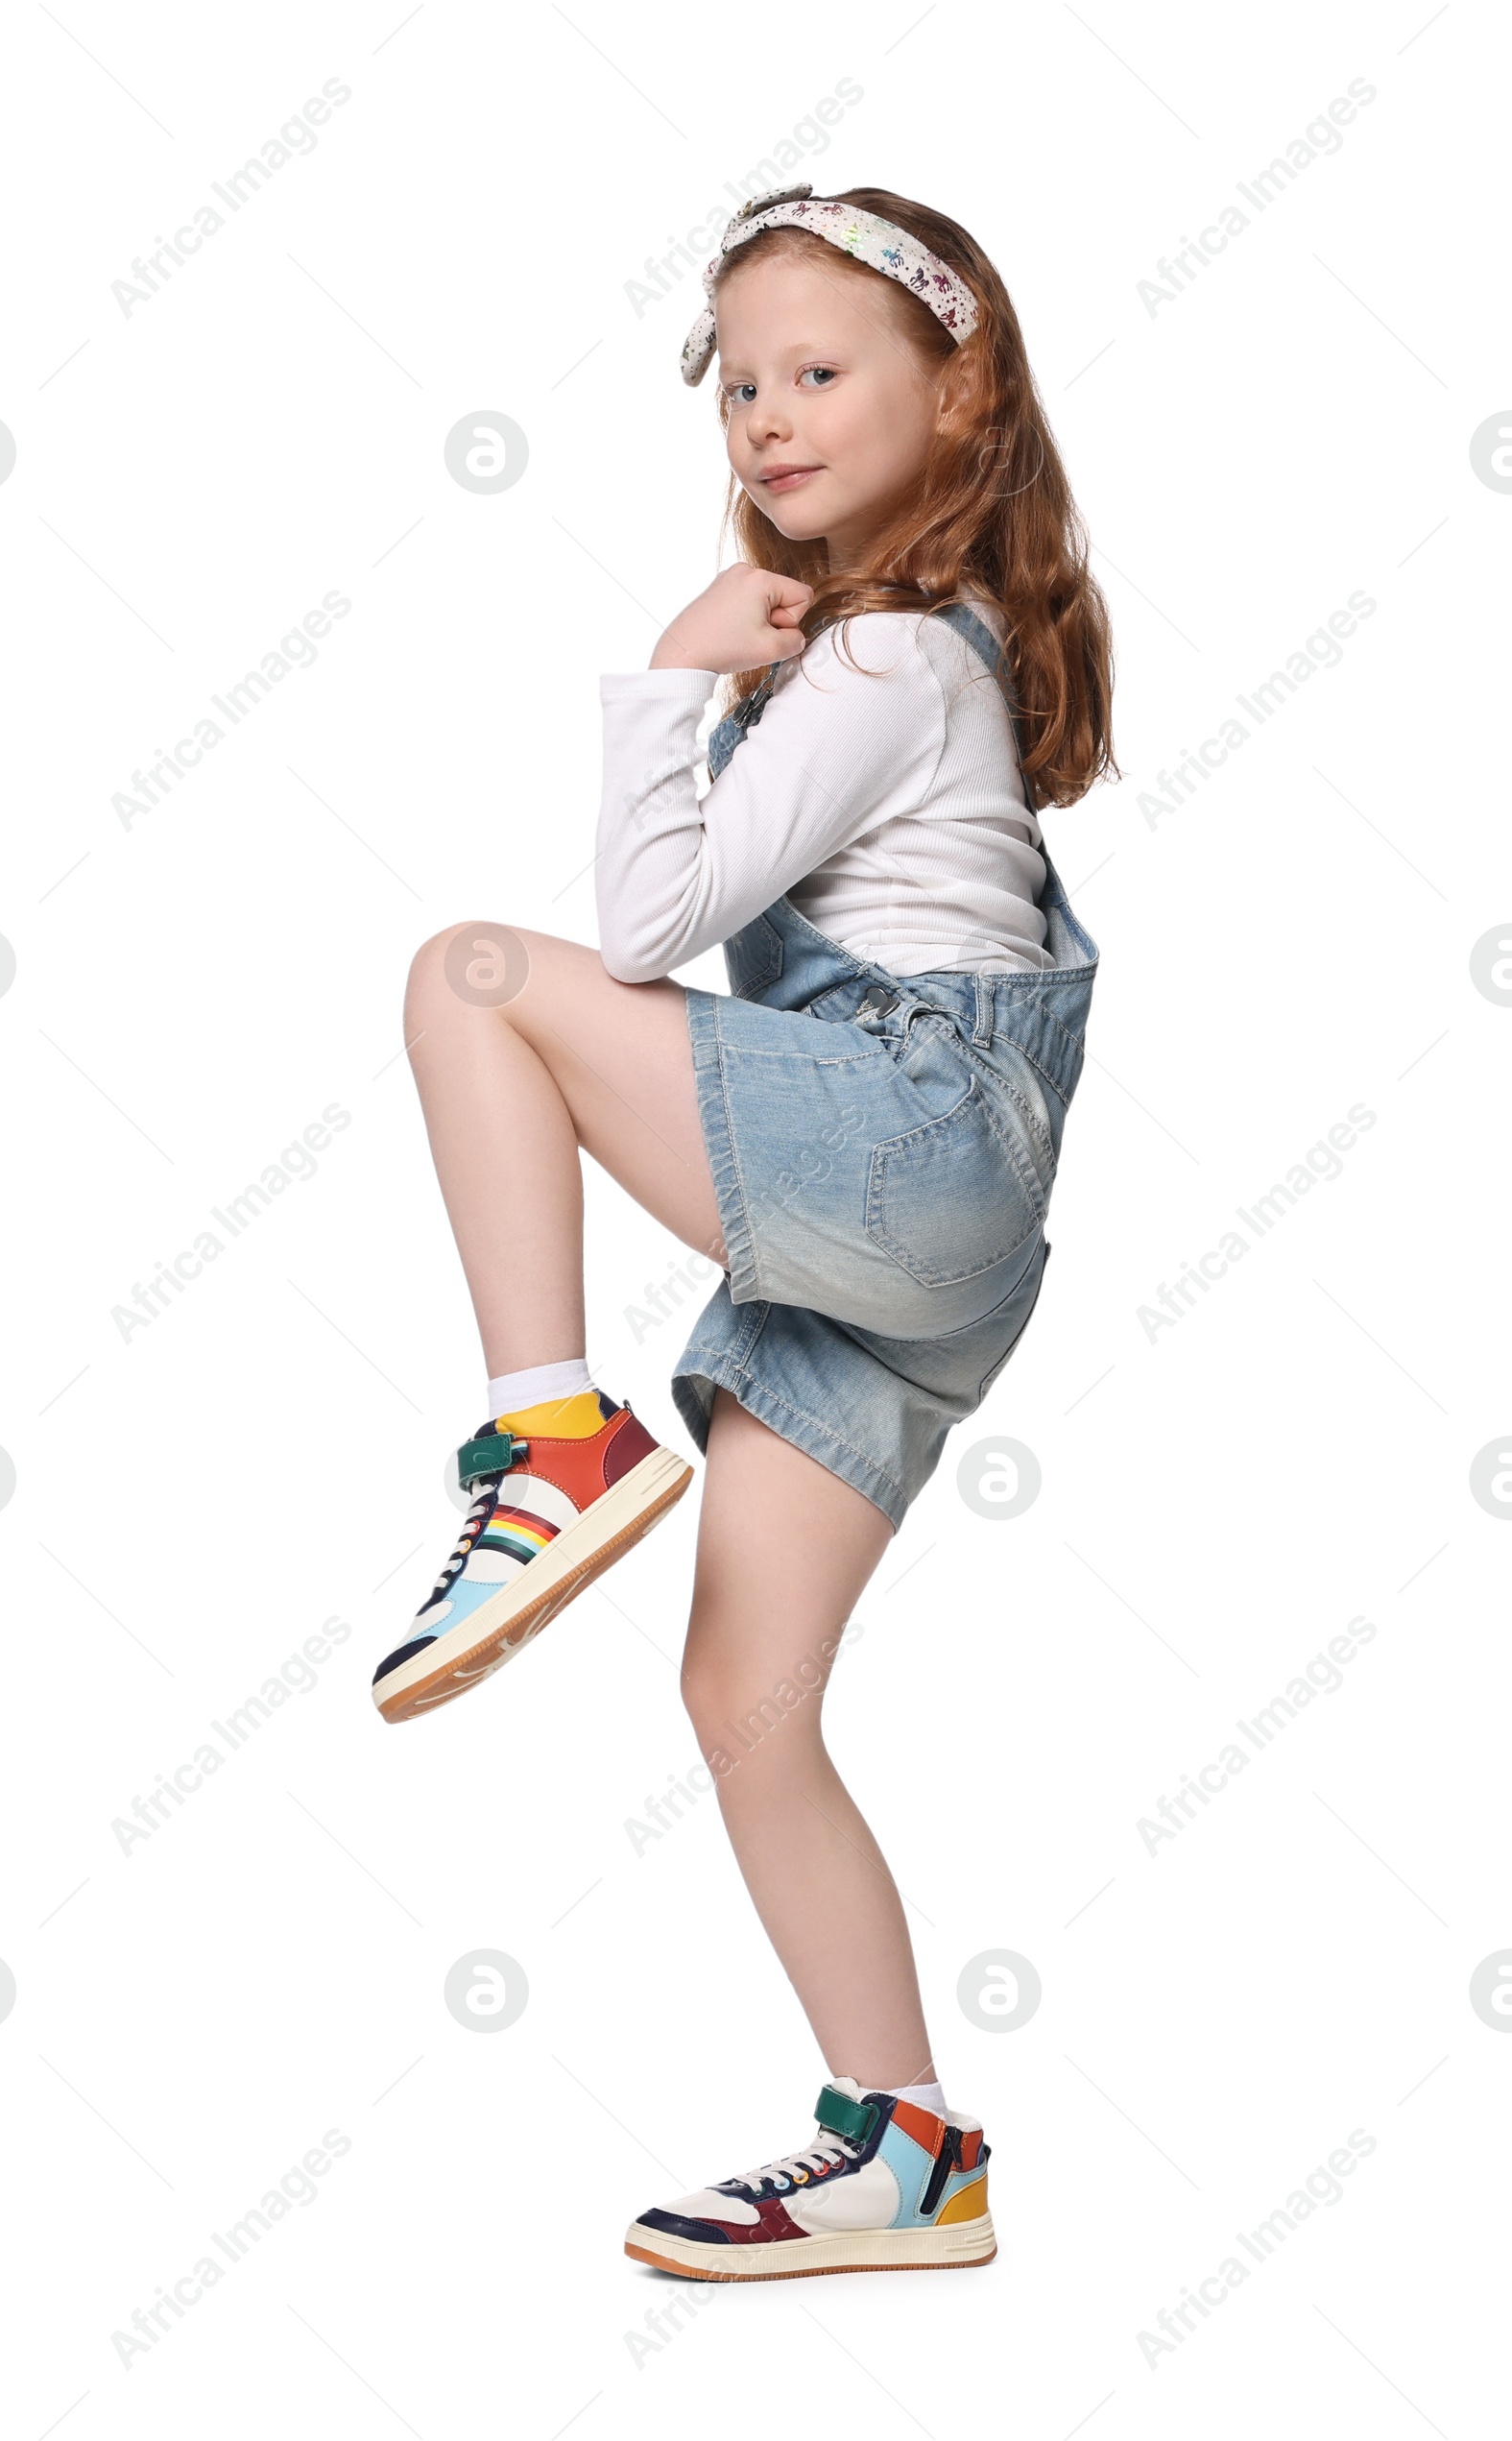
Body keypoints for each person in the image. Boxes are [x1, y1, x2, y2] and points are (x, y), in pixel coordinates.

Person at [374, 185, 1114, 2280]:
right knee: (744, 1705)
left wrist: (662, 683)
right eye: (739, 381)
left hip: (901, 1140)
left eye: (818, 373)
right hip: (903, 1242)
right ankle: (905, 2145)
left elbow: (637, 931)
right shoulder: (888, 654)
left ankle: (551, 1438)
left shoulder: (880, 653)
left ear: (953, 395)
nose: (768, 420)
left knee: (474, 981)